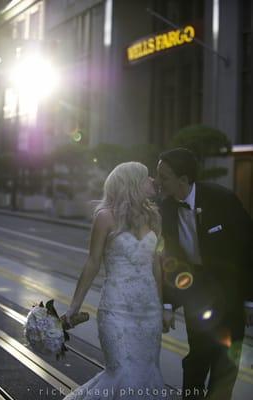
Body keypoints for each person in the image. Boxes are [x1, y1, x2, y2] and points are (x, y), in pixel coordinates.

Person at [62, 161, 171, 400]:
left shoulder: (154, 217)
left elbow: (156, 264)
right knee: (122, 373)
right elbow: (92, 262)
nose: (152, 180)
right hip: (116, 311)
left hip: (149, 312)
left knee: (146, 373)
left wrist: (162, 307)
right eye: (146, 177)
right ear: (132, 183)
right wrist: (74, 307)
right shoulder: (105, 217)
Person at [156, 148, 253, 400]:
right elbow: (169, 260)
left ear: (184, 180)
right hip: (196, 294)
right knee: (197, 359)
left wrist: (250, 300)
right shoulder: (165, 208)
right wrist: (167, 304)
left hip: (231, 295)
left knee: (226, 364)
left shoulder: (222, 199)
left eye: (164, 177)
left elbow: (248, 250)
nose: (158, 182)